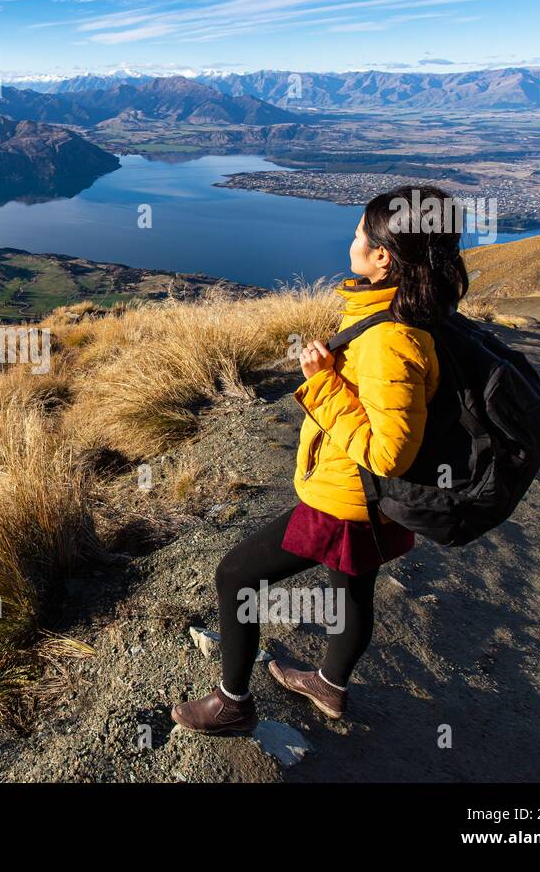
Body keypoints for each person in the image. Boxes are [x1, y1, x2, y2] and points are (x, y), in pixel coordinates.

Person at [172, 185, 469, 733]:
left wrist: (322, 385)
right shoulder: (411, 312)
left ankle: (232, 703)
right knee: (351, 583)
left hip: (348, 497)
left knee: (236, 575)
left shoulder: (391, 338)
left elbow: (389, 453)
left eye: (359, 233)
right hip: (367, 501)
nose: (351, 240)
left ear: (384, 255)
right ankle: (330, 687)